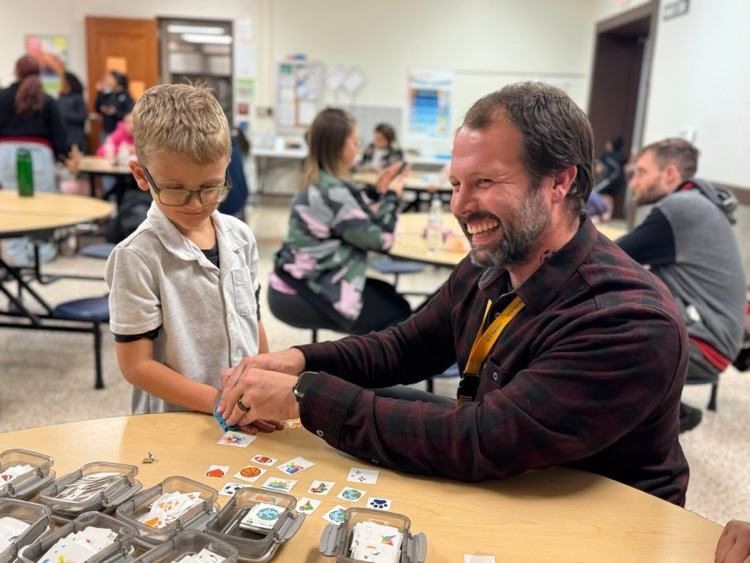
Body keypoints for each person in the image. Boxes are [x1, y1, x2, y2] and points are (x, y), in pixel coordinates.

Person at [218, 82, 690, 506]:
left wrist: (304, 397)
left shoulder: (628, 321)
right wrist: (301, 361)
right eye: (456, 184)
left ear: (559, 182)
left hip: (601, 524)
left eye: (485, 182)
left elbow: (482, 439)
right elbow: (408, 345)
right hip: (521, 484)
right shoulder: (496, 262)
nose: (460, 207)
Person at [104, 83, 276, 434]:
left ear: (228, 167)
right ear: (141, 176)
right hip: (175, 422)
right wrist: (220, 402)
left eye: (211, 187)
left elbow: (252, 321)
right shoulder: (136, 256)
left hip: (243, 414)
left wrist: (264, 382)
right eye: (176, 190)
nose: (196, 204)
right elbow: (137, 366)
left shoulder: (240, 237)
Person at [616, 138, 746, 433]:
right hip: (719, 336)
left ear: (670, 174)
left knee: (592, 334)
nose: (634, 182)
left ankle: (665, 417)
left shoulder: (681, 208)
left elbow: (607, 257)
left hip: (704, 342)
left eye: (642, 173)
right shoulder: (698, 204)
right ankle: (662, 414)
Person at [267, 108, 412, 335]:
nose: (359, 149)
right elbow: (383, 240)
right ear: (339, 147)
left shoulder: (321, 180)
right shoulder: (333, 190)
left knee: (386, 292)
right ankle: (363, 366)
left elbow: (347, 215)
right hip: (303, 291)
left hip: (293, 280)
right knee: (398, 312)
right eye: (355, 143)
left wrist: (376, 191)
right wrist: (393, 196)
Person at [0, 55, 73, 264]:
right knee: (42, 203)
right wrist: (65, 156)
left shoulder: (2, 97)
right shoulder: (47, 100)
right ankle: (43, 252)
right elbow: (60, 135)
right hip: (39, 154)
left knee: (12, 202)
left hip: (5, 155)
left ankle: (15, 254)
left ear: (16, 72)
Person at [94, 70, 134, 140]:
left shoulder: (125, 96)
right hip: (106, 131)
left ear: (117, 80)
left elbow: (129, 114)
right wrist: (99, 93)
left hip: (121, 132)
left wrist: (115, 112)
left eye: (109, 79)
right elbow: (97, 108)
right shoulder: (107, 94)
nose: (106, 81)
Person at [57, 71, 88, 154]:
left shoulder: (77, 97)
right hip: (63, 135)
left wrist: (65, 116)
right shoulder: (61, 97)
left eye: (62, 80)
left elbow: (82, 116)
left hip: (75, 136)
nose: (60, 82)